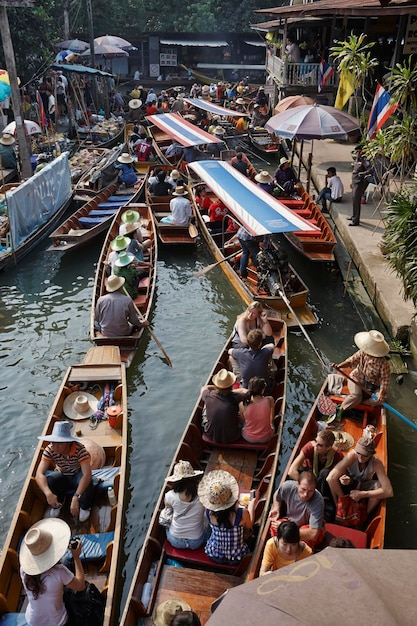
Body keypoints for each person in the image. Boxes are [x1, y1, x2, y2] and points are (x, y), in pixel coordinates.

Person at [19, 518, 85, 626]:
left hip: (33, 622)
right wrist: (76, 557)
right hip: (58, 623)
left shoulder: (23, 570)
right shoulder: (59, 572)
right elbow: (81, 585)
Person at [35, 421, 94, 523]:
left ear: (68, 442)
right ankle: (59, 501)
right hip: (62, 474)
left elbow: (87, 475)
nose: (55, 446)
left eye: (60, 443)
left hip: (77, 475)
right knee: (49, 480)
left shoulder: (80, 450)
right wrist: (48, 493)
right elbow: (39, 474)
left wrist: (76, 498)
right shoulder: (50, 449)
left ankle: (85, 506)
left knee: (88, 482)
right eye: (54, 442)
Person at [330, 329, 391, 418]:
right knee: (356, 396)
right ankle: (341, 409)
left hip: (373, 386)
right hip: (357, 379)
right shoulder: (362, 353)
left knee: (381, 399)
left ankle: (358, 402)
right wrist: (339, 366)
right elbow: (351, 361)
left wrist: (381, 393)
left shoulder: (384, 364)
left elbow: (385, 381)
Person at [198, 470, 254, 564]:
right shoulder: (242, 513)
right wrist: (251, 505)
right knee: (252, 537)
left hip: (214, 555)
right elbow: (249, 527)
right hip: (236, 558)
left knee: (209, 529)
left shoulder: (209, 512)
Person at [327, 435, 393, 516]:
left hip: (363, 485)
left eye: (365, 455)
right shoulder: (351, 456)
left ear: (371, 454)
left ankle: (364, 517)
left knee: (378, 486)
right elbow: (330, 478)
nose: (361, 457)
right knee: (332, 479)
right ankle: (338, 508)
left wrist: (363, 494)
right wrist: (343, 501)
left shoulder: (376, 463)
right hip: (349, 483)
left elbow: (389, 491)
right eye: (359, 453)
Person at [270, 470, 325, 546]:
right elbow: (277, 496)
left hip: (308, 527)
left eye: (310, 491)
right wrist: (276, 508)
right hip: (291, 522)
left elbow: (313, 534)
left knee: (302, 540)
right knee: (274, 528)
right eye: (303, 489)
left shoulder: (318, 501)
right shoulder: (287, 487)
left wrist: (287, 530)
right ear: (297, 484)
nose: (306, 494)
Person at [163, 460, 206, 550]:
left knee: (166, 514)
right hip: (196, 542)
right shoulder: (203, 495)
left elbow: (168, 507)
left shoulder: (170, 495)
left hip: (175, 541)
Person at [200, 369, 246, 444]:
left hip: (211, 435)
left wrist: (216, 388)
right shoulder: (236, 397)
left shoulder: (208, 395)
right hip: (233, 436)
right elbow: (245, 391)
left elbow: (204, 388)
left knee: (205, 404)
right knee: (241, 406)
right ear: (231, 386)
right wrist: (234, 391)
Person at [239, 376, 275, 444]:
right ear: (262, 390)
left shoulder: (242, 404)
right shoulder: (270, 400)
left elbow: (243, 421)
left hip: (248, 438)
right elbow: (271, 419)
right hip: (266, 437)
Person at [349, 147, 372, 227]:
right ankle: (353, 216)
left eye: (359, 152)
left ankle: (356, 221)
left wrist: (363, 174)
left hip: (359, 183)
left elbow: (370, 170)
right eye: (357, 152)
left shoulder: (364, 160)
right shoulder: (356, 160)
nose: (357, 153)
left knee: (356, 201)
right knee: (353, 201)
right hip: (354, 182)